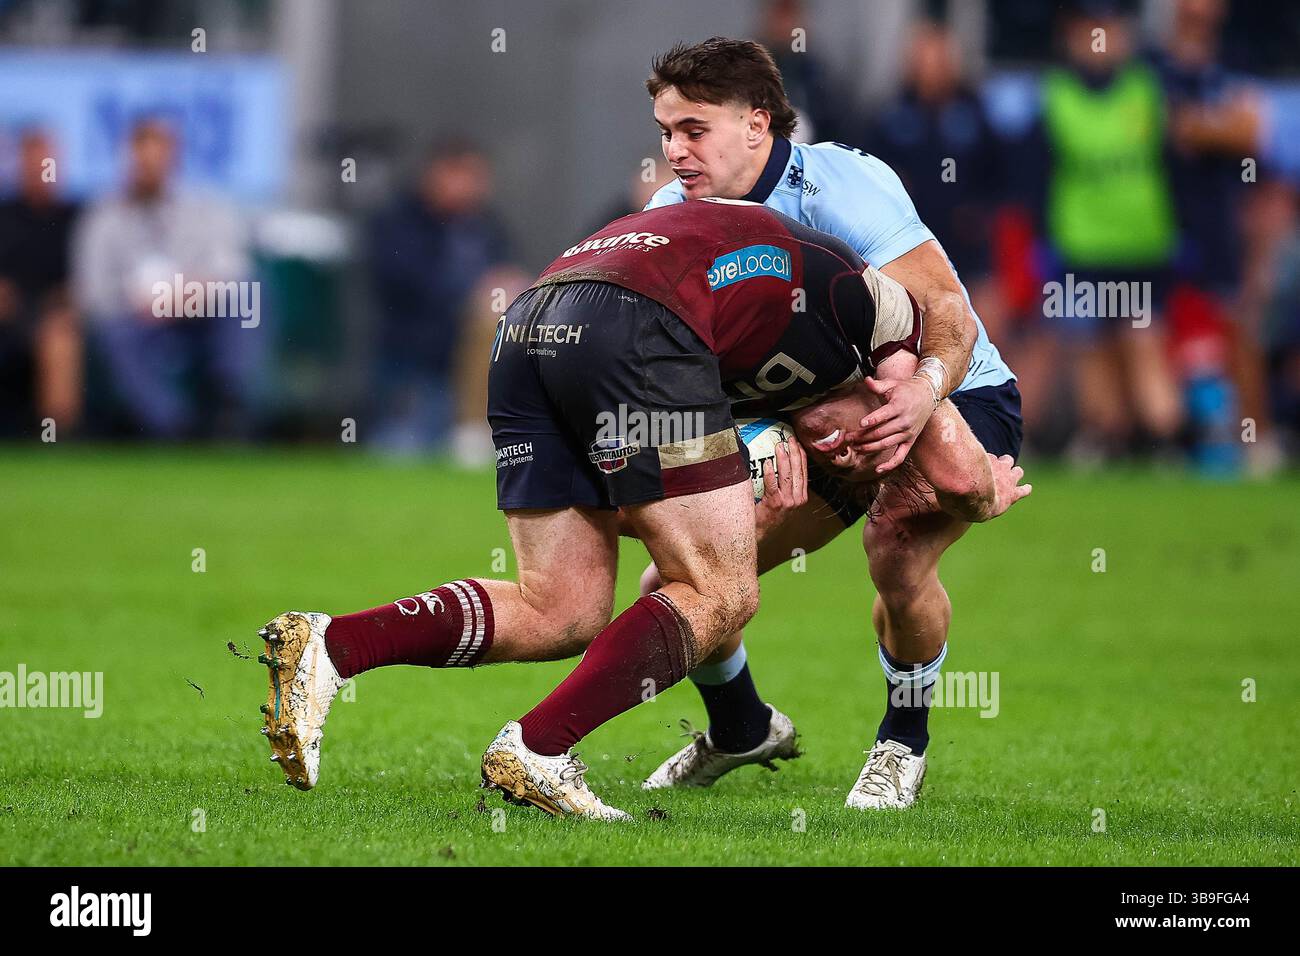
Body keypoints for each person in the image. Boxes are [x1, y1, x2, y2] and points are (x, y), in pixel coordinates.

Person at [252, 199, 1031, 820]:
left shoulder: (762, 310)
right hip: (637, 329)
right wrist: (987, 486)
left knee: (561, 607)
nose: (849, 454)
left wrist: (750, 459)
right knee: (720, 592)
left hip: (531, 326)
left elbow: (656, 474)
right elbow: (957, 470)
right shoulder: (886, 331)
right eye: (858, 443)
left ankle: (331, 646)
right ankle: (539, 750)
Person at [638, 37, 1022, 808]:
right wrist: (758, 431)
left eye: (693, 130)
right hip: (812, 414)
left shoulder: (845, 186)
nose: (675, 151)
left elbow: (947, 312)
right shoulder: (671, 217)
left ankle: (901, 744)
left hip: (954, 391)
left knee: (897, 548)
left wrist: (924, 393)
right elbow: (681, 368)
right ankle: (741, 727)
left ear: (758, 124)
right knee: (679, 578)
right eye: (665, 132)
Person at [72, 118, 252, 439]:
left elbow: (232, 269)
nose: (150, 168)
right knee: (115, 332)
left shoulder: (205, 207)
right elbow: (93, 293)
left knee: (248, 295)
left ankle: (228, 403)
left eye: (158, 158)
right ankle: (173, 426)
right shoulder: (104, 216)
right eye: (143, 159)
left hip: (197, 311)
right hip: (137, 318)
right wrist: (140, 303)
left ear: (173, 158)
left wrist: (191, 293)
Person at [0, 129, 81, 437]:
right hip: (9, 314)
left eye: (47, 161)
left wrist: (66, 300)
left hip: (55, 313)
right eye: (33, 160)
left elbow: (87, 277)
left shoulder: (74, 217)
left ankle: (54, 437)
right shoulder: (4, 216)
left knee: (58, 336)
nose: (41, 169)